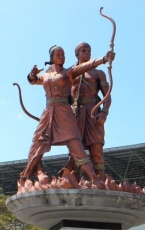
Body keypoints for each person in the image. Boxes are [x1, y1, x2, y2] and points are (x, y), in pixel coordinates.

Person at [18, 45, 115, 192]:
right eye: (58, 55)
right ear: (51, 58)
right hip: (49, 113)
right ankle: (25, 178)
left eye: (63, 54)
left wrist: (103, 59)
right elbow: (32, 81)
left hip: (67, 112)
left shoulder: (69, 72)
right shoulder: (46, 75)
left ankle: (95, 179)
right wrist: (32, 74)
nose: (61, 57)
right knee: (37, 144)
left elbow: (87, 66)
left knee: (77, 145)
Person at [63, 42, 111, 181]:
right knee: (75, 152)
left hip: (93, 112)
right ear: (77, 54)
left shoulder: (98, 73)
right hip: (75, 114)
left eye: (89, 51)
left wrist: (104, 112)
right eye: (83, 50)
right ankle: (73, 181)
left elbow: (107, 96)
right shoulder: (69, 73)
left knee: (96, 149)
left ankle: (100, 181)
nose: (87, 53)